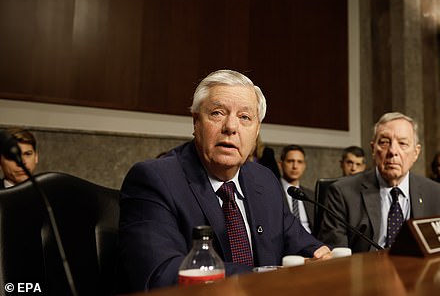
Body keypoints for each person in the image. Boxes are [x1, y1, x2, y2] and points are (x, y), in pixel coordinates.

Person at [118, 70, 331, 292]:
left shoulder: (264, 180)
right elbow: (160, 275)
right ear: (196, 122)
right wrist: (267, 277)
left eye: (245, 117)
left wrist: (322, 256)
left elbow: (302, 245)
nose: (231, 127)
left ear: (257, 131)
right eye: (217, 113)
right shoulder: (155, 180)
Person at [318, 112, 440, 252]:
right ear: (373, 150)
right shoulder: (342, 193)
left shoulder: (437, 195)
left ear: (416, 153)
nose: (393, 151)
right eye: (384, 142)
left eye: (403, 143)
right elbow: (337, 256)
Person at [279, 144, 314, 234]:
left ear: (304, 166)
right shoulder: (272, 192)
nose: (295, 166)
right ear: (281, 164)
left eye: (299, 162)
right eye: (290, 161)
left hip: (312, 244)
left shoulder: (311, 196)